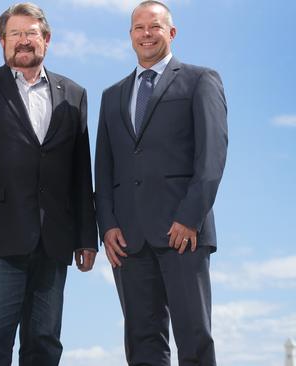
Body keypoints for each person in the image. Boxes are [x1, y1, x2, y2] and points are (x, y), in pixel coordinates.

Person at [0, 3, 97, 366]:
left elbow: (81, 172)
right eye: (15, 34)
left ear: (46, 39)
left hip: (55, 238)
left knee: (45, 342)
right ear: (2, 42)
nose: (23, 41)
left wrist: (86, 237)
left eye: (31, 33)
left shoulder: (74, 93)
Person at [94, 1, 228, 365]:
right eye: (138, 28)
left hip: (182, 233)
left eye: (154, 27)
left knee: (194, 339)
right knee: (141, 342)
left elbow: (212, 156)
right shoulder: (112, 97)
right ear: (130, 36)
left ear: (171, 32)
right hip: (129, 241)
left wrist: (190, 217)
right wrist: (107, 226)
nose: (146, 34)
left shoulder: (201, 80)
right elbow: (103, 170)